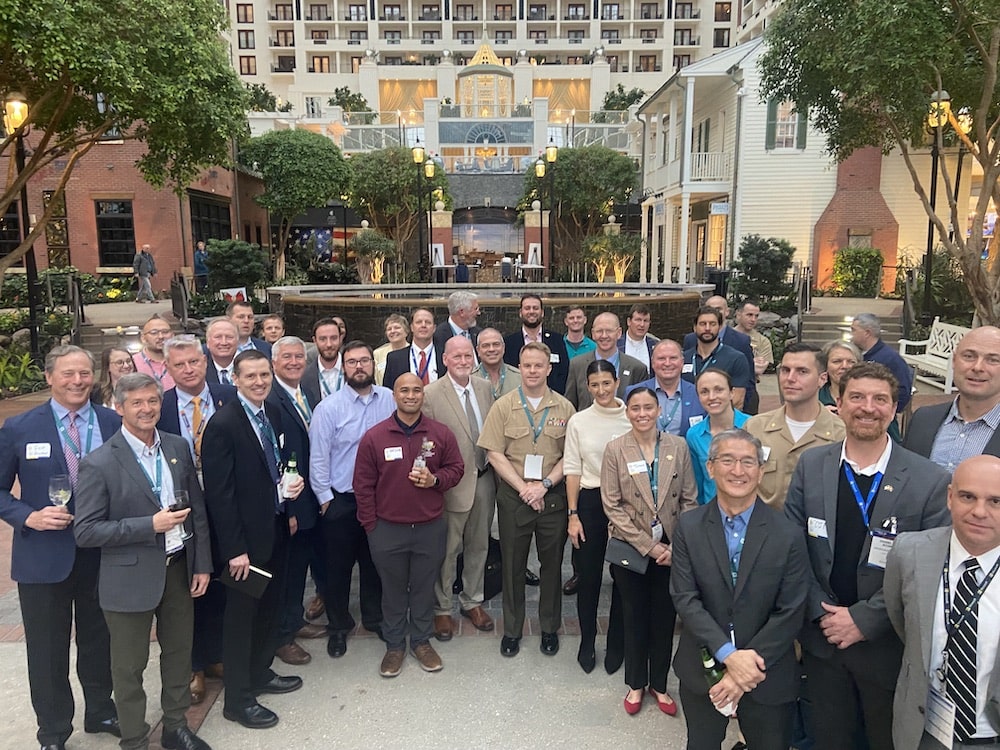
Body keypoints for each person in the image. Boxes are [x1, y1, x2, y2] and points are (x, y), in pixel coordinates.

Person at [784, 361, 952, 750]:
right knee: (830, 739)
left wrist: (863, 619)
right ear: (838, 404)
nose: (868, 407)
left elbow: (929, 570)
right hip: (822, 641)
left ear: (895, 409)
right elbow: (792, 550)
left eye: (880, 399)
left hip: (887, 647)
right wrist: (820, 611)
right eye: (856, 397)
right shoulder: (812, 465)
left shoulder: (929, 481)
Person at [74, 373, 213, 750]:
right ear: (119, 407)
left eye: (152, 401)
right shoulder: (99, 463)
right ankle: (134, 737)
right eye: (137, 402)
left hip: (179, 568)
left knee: (179, 653)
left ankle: (175, 725)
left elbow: (196, 510)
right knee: (129, 667)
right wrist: (147, 525)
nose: (147, 409)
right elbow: (85, 531)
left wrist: (202, 563)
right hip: (128, 578)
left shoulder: (177, 447)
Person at [0, 345, 120, 750]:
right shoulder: (19, 428)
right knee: (48, 649)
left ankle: (101, 709)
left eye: (84, 373)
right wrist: (26, 516)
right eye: (68, 374)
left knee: (100, 638)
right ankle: (53, 731)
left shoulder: (111, 422)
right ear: (49, 377)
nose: (77, 381)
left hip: (101, 551)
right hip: (43, 555)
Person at [671, 429, 809, 749]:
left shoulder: (787, 534)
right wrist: (728, 656)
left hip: (768, 671)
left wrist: (741, 669)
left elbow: (790, 610)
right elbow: (685, 598)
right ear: (710, 467)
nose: (738, 470)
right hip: (703, 668)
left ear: (761, 471)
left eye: (748, 462)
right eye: (728, 460)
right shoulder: (689, 527)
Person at [201, 350, 306, 730]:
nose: (260, 382)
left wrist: (289, 505)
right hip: (244, 545)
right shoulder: (223, 424)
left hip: (275, 530)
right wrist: (234, 551)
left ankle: (260, 673)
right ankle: (238, 699)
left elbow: (273, 469)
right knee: (241, 618)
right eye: (251, 377)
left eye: (264, 374)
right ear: (236, 380)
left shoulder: (270, 413)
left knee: (268, 610)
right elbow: (220, 495)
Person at [884, 454, 1000, 749]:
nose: (979, 511)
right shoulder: (909, 553)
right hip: (925, 733)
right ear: (950, 497)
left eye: (995, 501)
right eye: (967, 496)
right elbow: (903, 624)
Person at [354, 374, 464, 677]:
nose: (411, 395)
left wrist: (435, 480)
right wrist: (371, 527)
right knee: (391, 591)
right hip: (387, 529)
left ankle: (420, 641)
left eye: (417, 390)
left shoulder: (440, 434)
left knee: (423, 588)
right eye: (405, 390)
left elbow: (456, 468)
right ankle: (394, 646)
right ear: (394, 395)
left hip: (429, 527)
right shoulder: (375, 437)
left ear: (423, 396)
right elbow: (362, 485)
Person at [602, 386, 696, 716]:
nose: (642, 413)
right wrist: (649, 546)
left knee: (664, 618)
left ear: (659, 411)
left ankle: (659, 683)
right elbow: (612, 506)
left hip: (672, 550)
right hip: (633, 549)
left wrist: (676, 546)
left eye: (648, 407)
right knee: (634, 616)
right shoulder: (615, 449)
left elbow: (689, 500)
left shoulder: (678, 446)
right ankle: (636, 684)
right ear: (627, 412)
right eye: (635, 408)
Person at [478, 341, 576, 657]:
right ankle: (513, 629)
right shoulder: (503, 406)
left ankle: (549, 627)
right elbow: (494, 453)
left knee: (551, 566)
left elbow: (570, 457)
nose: (532, 371)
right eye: (527, 365)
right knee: (512, 565)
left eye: (539, 365)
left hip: (551, 499)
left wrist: (544, 485)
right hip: (514, 497)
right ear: (520, 368)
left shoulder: (564, 407)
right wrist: (524, 488)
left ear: (549, 369)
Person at [157, 335, 236, 706]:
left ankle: (218, 652)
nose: (188, 370)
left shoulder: (228, 396)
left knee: (221, 581)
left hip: (225, 506)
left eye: (194, 362)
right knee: (187, 588)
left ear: (205, 362)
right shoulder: (159, 405)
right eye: (179, 365)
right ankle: (193, 665)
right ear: (168, 369)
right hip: (179, 513)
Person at [309, 341, 393, 658]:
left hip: (380, 500)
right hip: (341, 502)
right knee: (337, 569)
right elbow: (318, 458)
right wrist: (326, 500)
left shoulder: (389, 400)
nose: (359, 367)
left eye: (364, 361)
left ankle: (374, 618)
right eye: (352, 362)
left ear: (373, 365)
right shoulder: (328, 409)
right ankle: (339, 626)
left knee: (375, 564)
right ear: (343, 368)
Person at [422, 337, 497, 641]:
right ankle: (442, 608)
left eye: (468, 355)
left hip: (484, 479)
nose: (463, 360)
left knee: (479, 544)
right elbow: (426, 444)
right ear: (445, 359)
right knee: (448, 550)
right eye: (457, 356)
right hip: (451, 486)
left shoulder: (484, 387)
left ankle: (472, 600)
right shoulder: (430, 394)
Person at [563, 360, 631, 673]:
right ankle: (587, 639)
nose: (601, 390)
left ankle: (617, 641)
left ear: (616, 382)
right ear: (587, 387)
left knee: (623, 576)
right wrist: (573, 514)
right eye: (595, 384)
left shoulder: (632, 417)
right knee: (589, 577)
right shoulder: (579, 421)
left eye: (606, 383)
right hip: (590, 502)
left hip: (626, 504)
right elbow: (572, 469)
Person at [267, 336, 326, 667]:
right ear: (274, 361)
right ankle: (281, 637)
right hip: (289, 504)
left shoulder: (306, 392)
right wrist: (287, 509)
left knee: (299, 569)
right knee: (286, 572)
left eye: (298, 357)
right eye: (286, 357)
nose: (293, 362)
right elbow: (274, 456)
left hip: (308, 499)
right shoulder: (272, 398)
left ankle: (294, 621)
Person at [744, 343, 845, 509]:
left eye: (802, 371)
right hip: (765, 529)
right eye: (785, 370)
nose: (790, 378)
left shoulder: (841, 435)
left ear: (822, 379)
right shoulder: (754, 428)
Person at [905, 326, 1000, 468]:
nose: (977, 367)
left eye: (992, 360)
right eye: (969, 356)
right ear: (954, 361)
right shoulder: (923, 419)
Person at [687, 369, 751, 505]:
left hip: (750, 511)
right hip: (713, 514)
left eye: (718, 390)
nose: (711, 397)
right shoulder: (694, 435)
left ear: (731, 393)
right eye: (704, 392)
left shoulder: (753, 427)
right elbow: (697, 484)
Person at [684, 296, 758, 414]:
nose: (707, 328)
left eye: (712, 324)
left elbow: (738, 400)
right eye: (703, 324)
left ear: (719, 327)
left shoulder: (736, 358)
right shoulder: (683, 358)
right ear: (694, 327)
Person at [565, 312, 648, 411]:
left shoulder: (637, 368)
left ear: (619, 333)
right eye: (599, 331)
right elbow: (570, 405)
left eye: (609, 331)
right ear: (593, 334)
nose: (604, 336)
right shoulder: (577, 365)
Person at [627, 339, 706, 438]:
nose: (667, 363)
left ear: (682, 362)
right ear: (653, 363)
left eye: (673, 358)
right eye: (661, 358)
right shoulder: (632, 393)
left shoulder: (698, 394)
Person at [502, 294, 571, 394]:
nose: (531, 311)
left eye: (535, 308)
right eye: (527, 308)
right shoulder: (509, 343)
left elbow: (564, 372)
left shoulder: (557, 340)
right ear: (520, 313)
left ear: (542, 312)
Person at [851, 312, 914, 414]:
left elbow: (903, 392)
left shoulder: (892, 359)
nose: (852, 334)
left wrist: (885, 412)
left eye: (854, 330)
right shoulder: (855, 355)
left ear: (867, 333)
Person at [384, 308, 440, 389]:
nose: (423, 325)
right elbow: (388, 392)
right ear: (412, 327)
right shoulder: (394, 359)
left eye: (428, 322)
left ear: (434, 328)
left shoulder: (445, 356)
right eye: (419, 322)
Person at [432, 291, 481, 373]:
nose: (478, 313)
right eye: (475, 309)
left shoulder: (478, 333)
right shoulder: (438, 336)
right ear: (462, 312)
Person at [302, 317, 344, 404]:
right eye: (323, 339)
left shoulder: (355, 370)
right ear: (315, 341)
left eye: (333, 338)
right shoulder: (304, 377)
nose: (329, 344)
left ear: (340, 338)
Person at [734, 298, 774, 384]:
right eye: (749, 315)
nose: (753, 319)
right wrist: (752, 361)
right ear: (738, 314)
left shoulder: (763, 341)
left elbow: (759, 370)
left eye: (756, 316)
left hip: (749, 386)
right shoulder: (726, 336)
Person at [474, 327, 521, 399]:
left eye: (496, 344)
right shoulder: (469, 379)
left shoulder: (519, 377)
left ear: (503, 347)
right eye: (485, 345)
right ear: (478, 350)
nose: (491, 349)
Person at [132, 315, 175, 390]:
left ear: (172, 335)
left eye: (165, 332)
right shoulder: (133, 362)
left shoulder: (181, 360)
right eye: (154, 333)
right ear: (143, 338)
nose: (161, 336)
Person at [818, 340, 862, 413]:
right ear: (825, 366)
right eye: (837, 361)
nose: (844, 366)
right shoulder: (813, 396)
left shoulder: (868, 396)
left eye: (851, 362)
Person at [617, 303, 659, 370]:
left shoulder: (656, 345)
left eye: (645, 321)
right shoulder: (616, 344)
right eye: (638, 320)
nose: (642, 324)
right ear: (629, 322)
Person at [373, 313, 410, 386]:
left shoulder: (414, 351)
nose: (393, 331)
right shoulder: (378, 353)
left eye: (397, 327)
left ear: (406, 331)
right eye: (389, 329)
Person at [203, 318, 240, 386]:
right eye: (218, 337)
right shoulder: (199, 371)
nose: (224, 342)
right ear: (208, 342)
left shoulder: (249, 366)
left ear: (238, 342)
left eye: (229, 337)